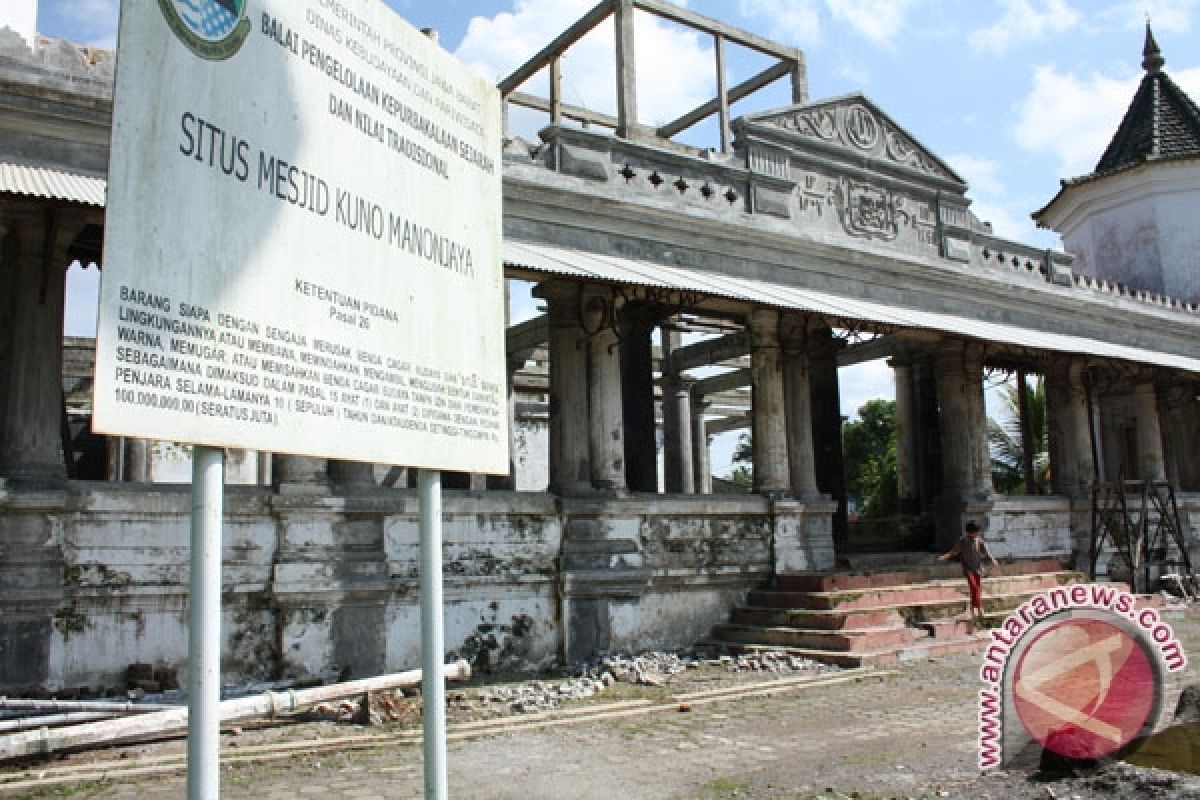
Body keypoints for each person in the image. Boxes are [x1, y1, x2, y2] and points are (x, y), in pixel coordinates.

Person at [938, 521, 999, 628]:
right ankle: (978, 608)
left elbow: (987, 552)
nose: (976, 534)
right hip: (968, 569)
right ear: (969, 532)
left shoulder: (979, 541)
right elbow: (954, 551)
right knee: (974, 587)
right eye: (975, 532)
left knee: (977, 589)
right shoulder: (962, 542)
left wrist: (993, 560)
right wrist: (945, 556)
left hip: (977, 568)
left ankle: (975, 608)